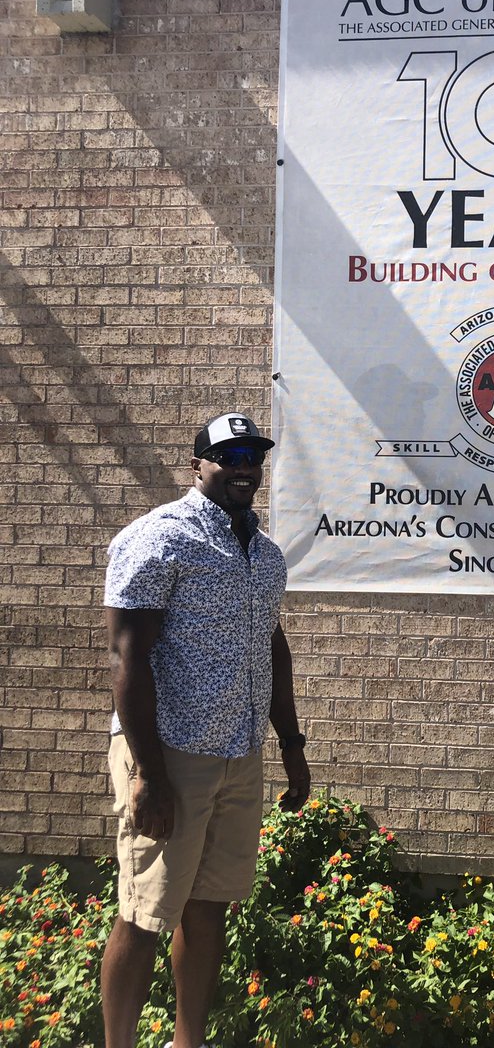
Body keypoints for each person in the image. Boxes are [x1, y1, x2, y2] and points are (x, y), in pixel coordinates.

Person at [100, 413, 310, 1048]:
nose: (245, 466)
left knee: (208, 906)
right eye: (229, 454)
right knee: (144, 914)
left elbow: (271, 649)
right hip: (170, 751)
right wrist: (149, 775)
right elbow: (127, 659)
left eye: (253, 455)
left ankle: (187, 1042)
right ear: (199, 465)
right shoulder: (159, 539)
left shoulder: (264, 552)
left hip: (238, 752)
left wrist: (292, 748)